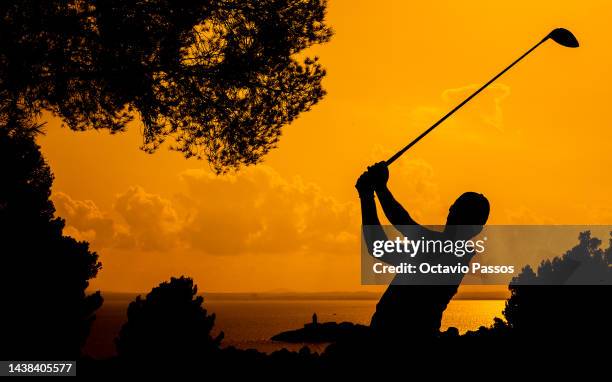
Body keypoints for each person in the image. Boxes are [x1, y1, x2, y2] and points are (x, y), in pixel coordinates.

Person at [356, 162, 490, 341]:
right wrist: (372, 193)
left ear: (475, 229)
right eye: (454, 207)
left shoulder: (453, 253)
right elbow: (383, 240)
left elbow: (395, 229)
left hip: (408, 341)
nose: (451, 212)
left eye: (459, 211)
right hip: (390, 336)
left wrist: (375, 190)